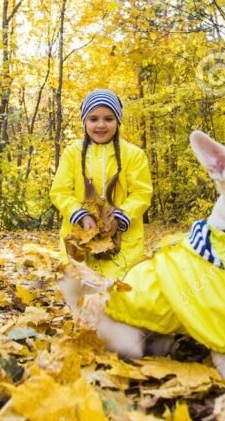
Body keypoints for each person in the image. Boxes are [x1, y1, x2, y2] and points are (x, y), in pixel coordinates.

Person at [50, 89, 152, 279]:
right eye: (93, 119)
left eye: (109, 119)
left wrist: (120, 217)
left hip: (124, 245)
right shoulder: (72, 153)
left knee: (117, 294)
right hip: (80, 241)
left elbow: (141, 193)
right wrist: (79, 215)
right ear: (85, 122)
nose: (101, 125)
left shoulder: (134, 155)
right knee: (81, 295)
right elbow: (60, 192)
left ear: (118, 121)